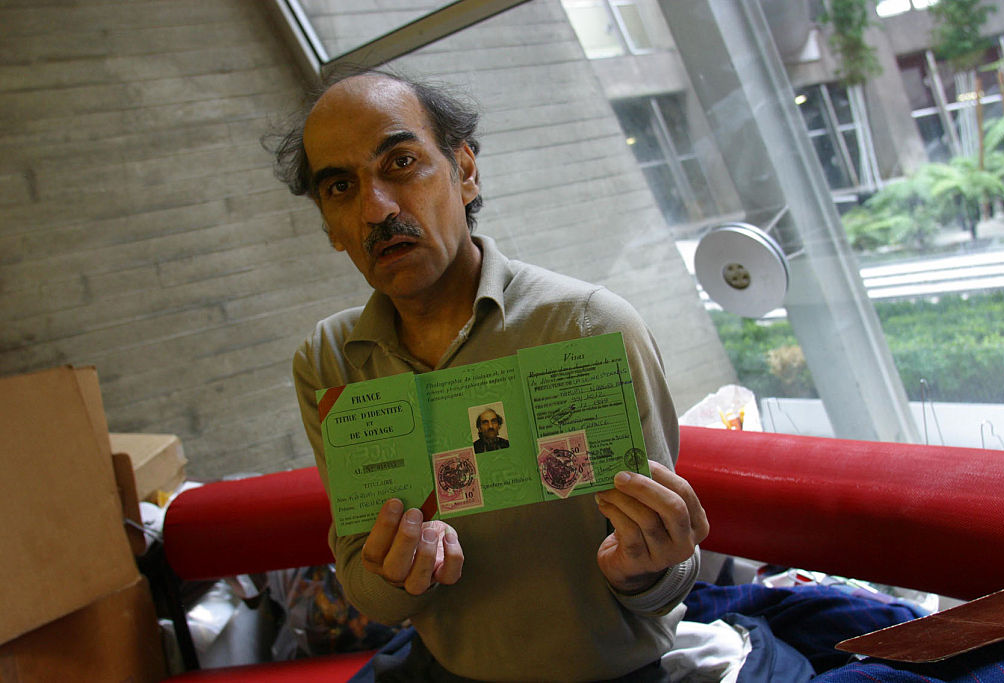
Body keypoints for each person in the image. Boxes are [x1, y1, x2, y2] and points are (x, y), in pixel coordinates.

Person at [275, 67, 709, 682]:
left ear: (465, 170)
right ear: (329, 226)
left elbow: (668, 574)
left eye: (401, 163)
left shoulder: (587, 327)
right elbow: (366, 586)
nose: (376, 209)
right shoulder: (331, 360)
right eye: (341, 187)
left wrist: (644, 570)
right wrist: (399, 577)